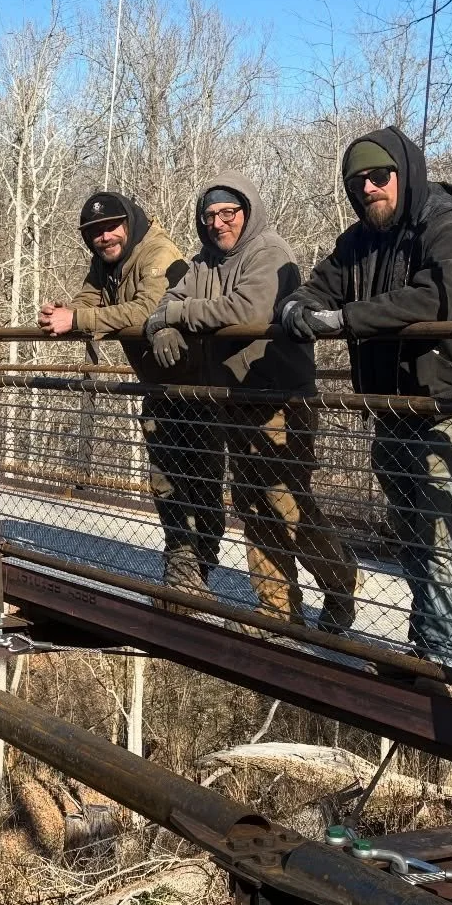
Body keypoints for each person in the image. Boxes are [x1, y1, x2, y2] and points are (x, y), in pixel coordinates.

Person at [280, 126, 452, 666]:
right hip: (390, 402)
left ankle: (439, 657)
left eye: (380, 177)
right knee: (409, 524)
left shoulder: (447, 225)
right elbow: (316, 287)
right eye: (358, 182)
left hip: (448, 398)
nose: (369, 188)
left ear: (405, 174)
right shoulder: (357, 241)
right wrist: (296, 309)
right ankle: (424, 646)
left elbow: (437, 298)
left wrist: (344, 319)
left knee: (437, 522)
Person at [144, 173, 359, 631]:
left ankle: (340, 582)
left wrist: (179, 314)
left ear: (247, 211)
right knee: (251, 504)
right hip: (233, 399)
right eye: (209, 215)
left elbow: (249, 310)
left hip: (281, 398)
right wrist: (162, 327)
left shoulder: (269, 252)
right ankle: (279, 612)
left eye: (228, 212)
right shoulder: (203, 264)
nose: (218, 223)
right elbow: (163, 306)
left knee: (286, 503)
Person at [38, 191, 222, 594]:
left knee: (202, 481)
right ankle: (182, 569)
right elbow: (89, 298)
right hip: (159, 386)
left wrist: (78, 319)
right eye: (95, 232)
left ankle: (202, 564)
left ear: (130, 223)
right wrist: (62, 313)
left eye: (111, 227)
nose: (105, 237)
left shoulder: (158, 252)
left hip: (199, 386)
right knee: (164, 480)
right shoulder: (106, 261)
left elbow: (148, 310)